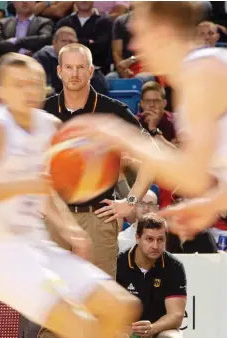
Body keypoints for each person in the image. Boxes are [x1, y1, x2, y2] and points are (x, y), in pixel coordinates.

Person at [0, 53, 141, 338]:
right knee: (80, 326)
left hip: (38, 245)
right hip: (0, 254)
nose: (28, 91)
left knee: (122, 307)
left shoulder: (49, 125)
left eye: (34, 83)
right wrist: (25, 185)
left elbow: (47, 189)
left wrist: (71, 230)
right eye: (18, 85)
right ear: (0, 91)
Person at [62, 2, 227, 238]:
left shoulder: (201, 73)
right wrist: (212, 204)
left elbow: (193, 176)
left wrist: (116, 133)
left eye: (139, 35)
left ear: (163, 32)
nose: (133, 45)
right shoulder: (201, 70)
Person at [44, 43, 150, 279]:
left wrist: (130, 202)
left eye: (81, 67)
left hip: (98, 220)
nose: (74, 73)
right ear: (59, 71)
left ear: (91, 71)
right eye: (69, 67)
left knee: (99, 304)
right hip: (54, 219)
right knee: (54, 303)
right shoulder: (44, 111)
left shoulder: (113, 111)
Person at [117, 213, 187, 338]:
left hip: (159, 328)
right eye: (149, 239)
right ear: (137, 238)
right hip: (124, 329)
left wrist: (152, 328)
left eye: (160, 240)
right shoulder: (118, 263)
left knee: (171, 337)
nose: (155, 246)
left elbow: (176, 315)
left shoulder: (174, 266)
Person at [33, 26, 108, 94]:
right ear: (54, 43)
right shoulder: (42, 58)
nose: (67, 44)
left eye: (71, 41)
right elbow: (44, 88)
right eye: (64, 41)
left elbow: (102, 87)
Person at [56, 1, 113, 74]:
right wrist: (88, 42)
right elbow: (59, 48)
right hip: (67, 72)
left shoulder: (106, 23)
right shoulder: (63, 23)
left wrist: (72, 44)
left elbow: (101, 49)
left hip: (98, 73)